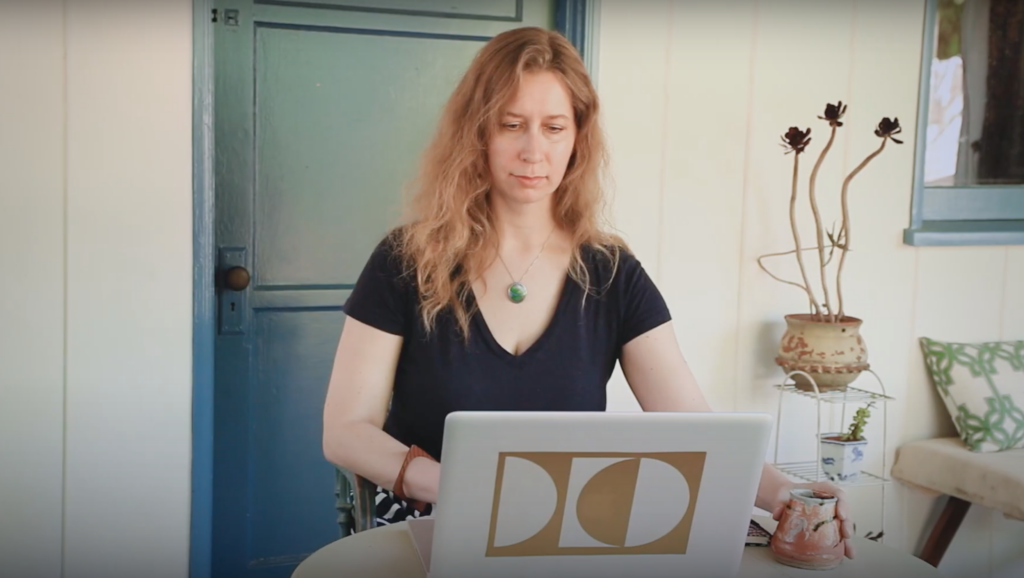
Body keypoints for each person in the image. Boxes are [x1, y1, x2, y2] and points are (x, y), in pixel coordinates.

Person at [322, 26, 855, 557]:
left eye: (554, 127)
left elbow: (694, 427)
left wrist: (785, 492)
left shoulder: (614, 275)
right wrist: (455, 486)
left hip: (562, 533)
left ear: (578, 138)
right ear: (476, 132)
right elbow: (345, 430)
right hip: (427, 519)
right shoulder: (404, 261)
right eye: (512, 124)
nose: (534, 151)